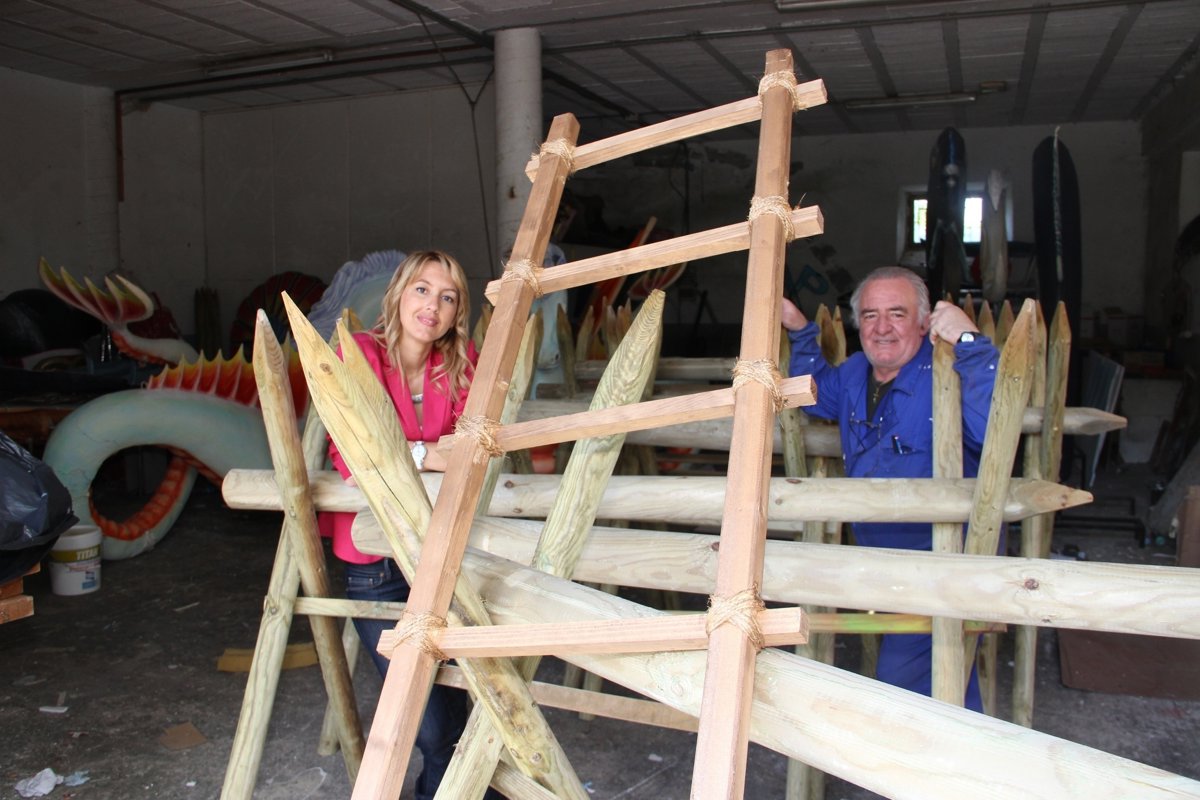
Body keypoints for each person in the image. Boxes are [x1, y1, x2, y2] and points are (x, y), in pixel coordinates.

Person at [781, 266, 999, 711]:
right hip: (880, 560)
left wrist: (970, 341)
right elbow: (813, 395)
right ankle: (966, 745)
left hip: (940, 561)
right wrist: (800, 330)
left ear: (924, 322)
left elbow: (993, 428)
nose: (882, 328)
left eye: (897, 314)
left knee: (906, 682)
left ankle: (929, 752)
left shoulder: (948, 369)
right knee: (945, 678)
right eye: (870, 315)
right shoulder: (855, 372)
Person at [321, 249, 485, 799]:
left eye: (447, 296)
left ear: (457, 312)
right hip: (374, 561)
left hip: (440, 554)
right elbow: (352, 454)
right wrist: (427, 453)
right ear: (397, 294)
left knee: (463, 701)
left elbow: (471, 451)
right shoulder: (358, 354)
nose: (432, 305)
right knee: (432, 723)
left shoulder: (463, 363)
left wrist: (407, 451)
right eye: (421, 289)